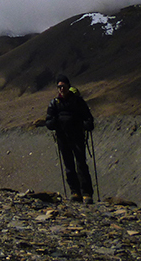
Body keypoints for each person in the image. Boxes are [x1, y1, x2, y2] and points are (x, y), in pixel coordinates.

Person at [45, 74, 95, 203]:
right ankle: (75, 192)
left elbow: (88, 118)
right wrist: (54, 123)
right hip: (64, 138)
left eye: (63, 86)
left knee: (81, 164)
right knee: (69, 166)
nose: (61, 89)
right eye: (59, 87)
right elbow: (48, 122)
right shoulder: (54, 103)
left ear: (68, 86)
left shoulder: (77, 102)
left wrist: (85, 125)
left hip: (77, 137)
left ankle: (86, 193)